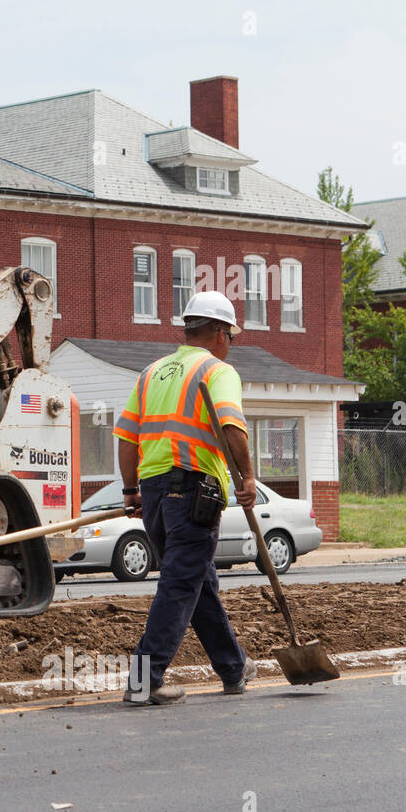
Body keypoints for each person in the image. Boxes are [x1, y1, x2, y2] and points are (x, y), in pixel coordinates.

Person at [112, 291, 260, 705]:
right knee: (180, 584)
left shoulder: (151, 372)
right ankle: (145, 679)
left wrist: (131, 490)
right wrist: (248, 477)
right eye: (230, 334)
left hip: (157, 495)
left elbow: (126, 438)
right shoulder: (217, 370)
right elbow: (231, 426)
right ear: (217, 333)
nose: (230, 342)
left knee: (197, 583)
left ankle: (233, 668)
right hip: (194, 492)